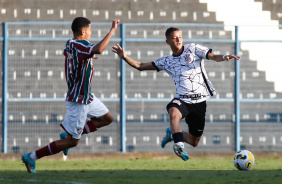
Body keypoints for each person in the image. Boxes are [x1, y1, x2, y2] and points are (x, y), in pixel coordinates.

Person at [112, 27, 240, 161]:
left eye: (180, 36)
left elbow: (213, 57)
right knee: (173, 113)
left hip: (199, 102)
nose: (178, 39)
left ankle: (172, 134)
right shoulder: (166, 61)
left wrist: (225, 57)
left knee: (194, 141)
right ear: (168, 42)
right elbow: (141, 66)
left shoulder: (193, 49)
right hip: (182, 100)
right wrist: (125, 57)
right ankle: (179, 146)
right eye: (174, 38)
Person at [22, 17, 120, 173]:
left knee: (108, 118)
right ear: (83, 31)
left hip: (86, 96)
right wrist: (112, 30)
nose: (90, 33)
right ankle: (32, 157)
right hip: (78, 99)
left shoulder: (70, 43)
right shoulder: (81, 45)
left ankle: (65, 134)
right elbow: (100, 49)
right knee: (72, 142)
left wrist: (84, 58)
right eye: (89, 30)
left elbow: (67, 53)